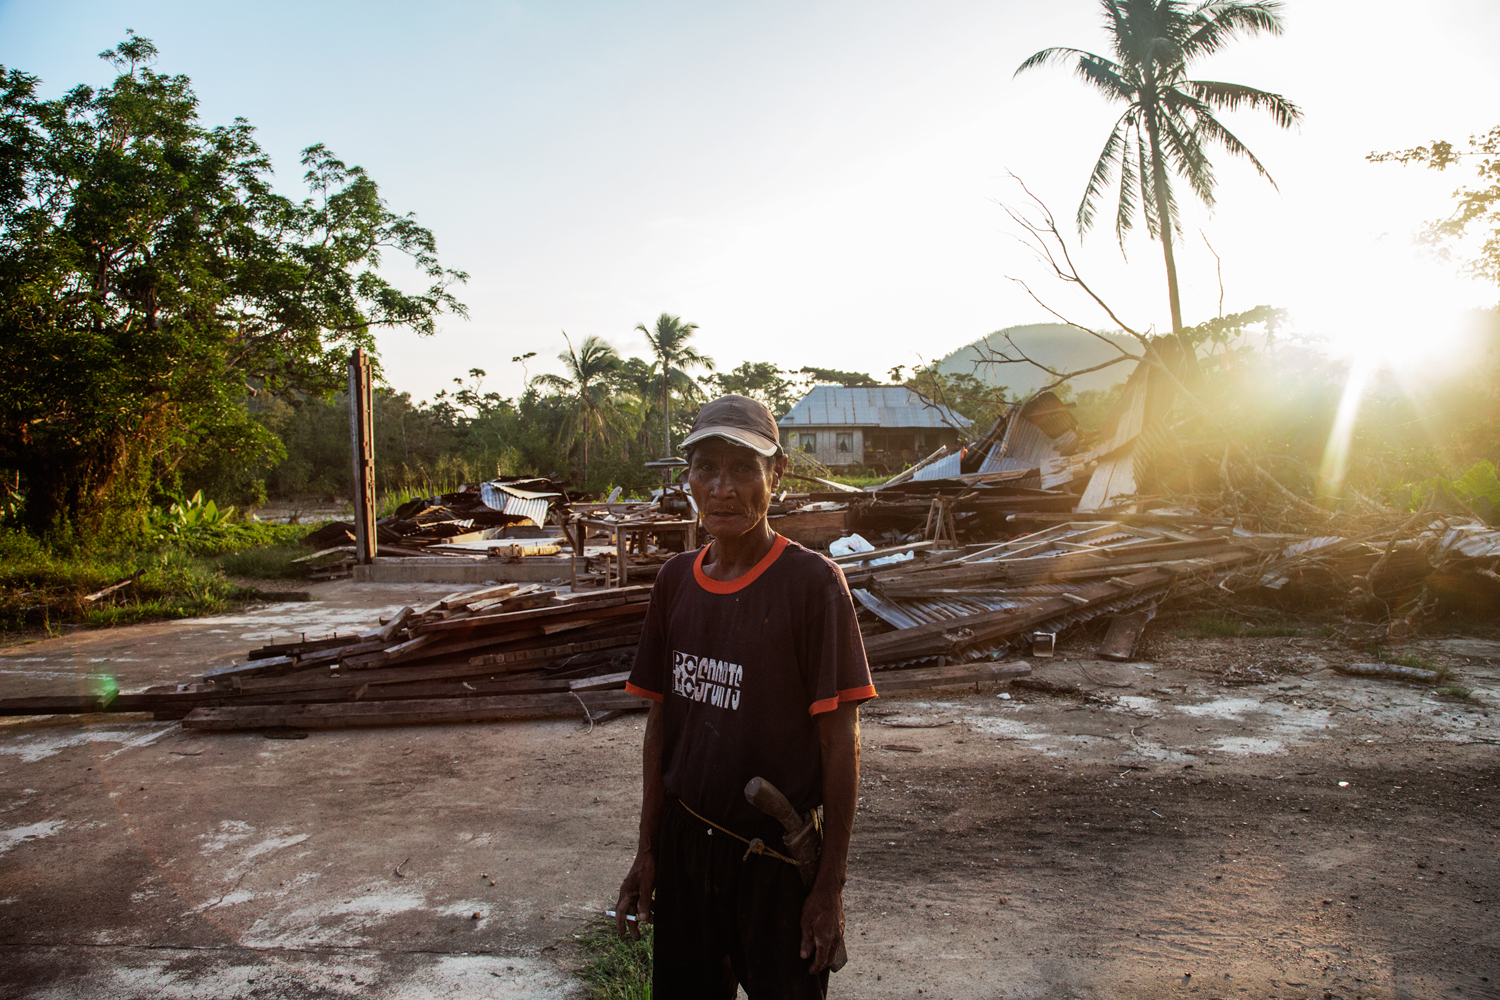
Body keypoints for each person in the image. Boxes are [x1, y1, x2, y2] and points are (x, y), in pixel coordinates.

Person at [614, 394, 876, 999]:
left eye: (743, 469)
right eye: (707, 468)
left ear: (776, 476)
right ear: (689, 480)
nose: (723, 488)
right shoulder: (675, 581)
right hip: (685, 851)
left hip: (777, 862)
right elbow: (661, 726)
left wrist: (829, 885)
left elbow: (841, 743)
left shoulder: (812, 585)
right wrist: (648, 853)